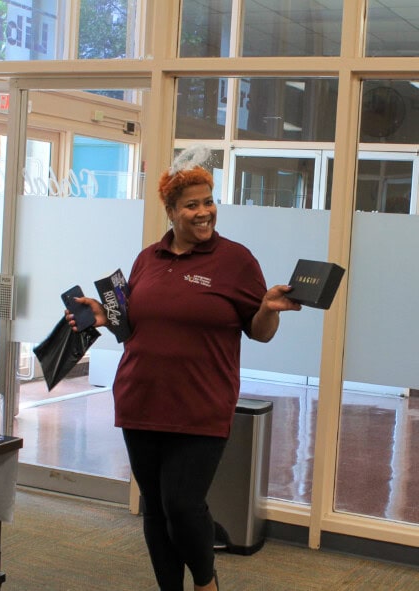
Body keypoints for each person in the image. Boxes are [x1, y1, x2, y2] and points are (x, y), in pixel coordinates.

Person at [66, 158, 301, 591]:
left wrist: (267, 308)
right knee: (155, 507)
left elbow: (259, 333)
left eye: (209, 202)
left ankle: (206, 582)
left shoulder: (235, 260)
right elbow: (134, 326)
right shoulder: (146, 260)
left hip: (201, 404)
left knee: (182, 503)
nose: (204, 212)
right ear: (172, 212)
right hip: (140, 400)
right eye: (192, 205)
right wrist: (106, 316)